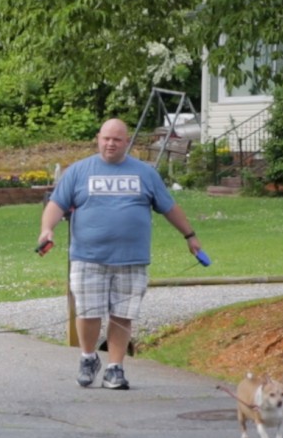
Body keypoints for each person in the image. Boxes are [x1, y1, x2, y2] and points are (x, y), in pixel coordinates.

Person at [38, 118, 203, 389]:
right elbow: (57, 204)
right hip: (88, 257)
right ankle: (88, 357)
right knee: (88, 312)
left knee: (122, 313)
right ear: (98, 138)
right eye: (106, 138)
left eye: (117, 139)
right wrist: (47, 230)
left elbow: (169, 207)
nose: (110, 144)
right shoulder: (79, 171)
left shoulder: (145, 174)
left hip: (132, 258)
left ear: (127, 142)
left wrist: (190, 236)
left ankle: (115, 367)